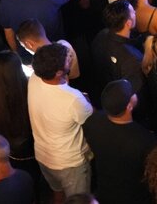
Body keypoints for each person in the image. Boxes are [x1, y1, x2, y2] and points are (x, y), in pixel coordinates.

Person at [27, 42, 94, 200]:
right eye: (67, 59)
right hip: (70, 163)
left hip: (44, 156)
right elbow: (91, 120)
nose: (69, 59)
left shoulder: (34, 79)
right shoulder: (73, 98)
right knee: (79, 200)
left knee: (57, 193)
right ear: (58, 72)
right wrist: (86, 100)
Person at [82, 79, 157, 204]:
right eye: (132, 93)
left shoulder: (93, 122)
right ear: (129, 106)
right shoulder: (144, 139)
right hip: (132, 195)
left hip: (104, 189)